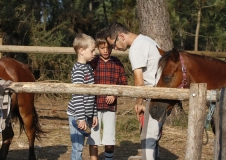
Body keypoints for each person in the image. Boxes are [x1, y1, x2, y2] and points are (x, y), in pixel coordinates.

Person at [105, 22, 162, 160]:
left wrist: (139, 102)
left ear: (121, 36)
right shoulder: (146, 40)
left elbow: (139, 80)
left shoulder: (136, 48)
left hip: (153, 94)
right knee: (153, 135)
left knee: (147, 137)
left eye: (114, 45)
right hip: (159, 92)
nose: (115, 49)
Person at [87, 28, 128, 160]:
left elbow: (123, 83)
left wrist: (114, 94)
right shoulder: (92, 63)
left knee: (109, 137)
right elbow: (86, 84)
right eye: (102, 47)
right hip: (94, 106)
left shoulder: (117, 63)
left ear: (112, 47)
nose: (105, 51)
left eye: (108, 48)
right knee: (94, 136)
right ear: (98, 47)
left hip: (110, 107)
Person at [67, 33, 98, 160]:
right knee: (78, 147)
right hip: (77, 114)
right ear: (81, 51)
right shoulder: (79, 70)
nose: (94, 53)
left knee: (81, 146)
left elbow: (92, 94)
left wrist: (94, 113)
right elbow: (78, 95)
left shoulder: (88, 68)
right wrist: (80, 118)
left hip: (87, 114)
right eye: (92, 50)